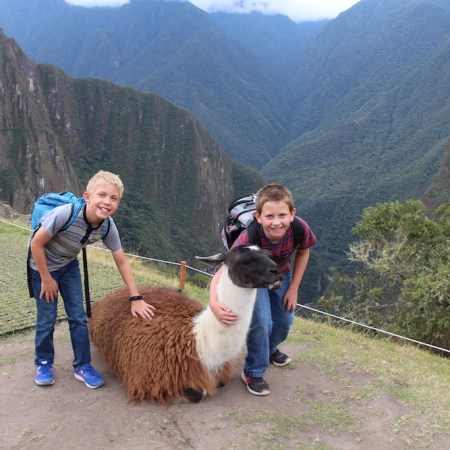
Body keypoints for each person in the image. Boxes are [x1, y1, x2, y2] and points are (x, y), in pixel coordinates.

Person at [28, 170, 155, 388]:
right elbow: (35, 244)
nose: (107, 202)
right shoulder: (65, 214)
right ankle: (44, 362)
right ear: (88, 197)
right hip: (42, 267)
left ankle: (82, 366)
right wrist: (47, 279)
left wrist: (136, 297)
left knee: (78, 316)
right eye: (102, 195)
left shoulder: (107, 226)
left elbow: (121, 261)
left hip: (68, 266)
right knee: (47, 318)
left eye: (113, 198)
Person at [209, 183, 316, 396]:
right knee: (261, 322)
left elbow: (304, 251)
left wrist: (294, 287)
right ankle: (253, 371)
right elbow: (224, 268)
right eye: (269, 217)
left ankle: (268, 349)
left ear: (292, 214)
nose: (276, 222)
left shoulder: (299, 228)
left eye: (282, 215)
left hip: (281, 276)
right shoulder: (249, 237)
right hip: (255, 282)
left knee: (285, 321)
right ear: (258, 216)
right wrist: (213, 302)